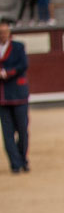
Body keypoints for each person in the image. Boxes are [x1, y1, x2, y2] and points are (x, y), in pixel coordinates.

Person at [0, 18, 30, 174]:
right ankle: (15, 164)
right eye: (0, 33)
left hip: (18, 94)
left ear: (9, 33)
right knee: (7, 133)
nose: (2, 35)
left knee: (23, 130)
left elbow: (23, 65)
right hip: (3, 97)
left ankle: (22, 159)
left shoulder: (18, 47)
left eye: (4, 32)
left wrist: (7, 73)